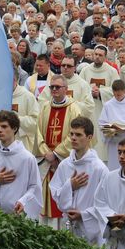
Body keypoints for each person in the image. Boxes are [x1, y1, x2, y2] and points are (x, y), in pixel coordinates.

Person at [50, 117, 108, 244]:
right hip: (68, 225)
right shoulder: (65, 165)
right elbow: (55, 192)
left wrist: (83, 214)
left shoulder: (99, 168)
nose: (73, 138)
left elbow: (106, 203)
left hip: (91, 229)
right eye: (71, 134)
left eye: (78, 134)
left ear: (89, 137)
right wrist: (70, 185)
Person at [34, 74, 82, 228]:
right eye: (52, 87)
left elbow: (74, 134)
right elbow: (38, 132)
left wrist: (56, 154)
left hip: (63, 159)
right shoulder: (46, 107)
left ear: (65, 89)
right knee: (45, 194)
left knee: (62, 192)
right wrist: (46, 152)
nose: (54, 90)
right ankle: (46, 228)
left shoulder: (74, 108)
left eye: (57, 87)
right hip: (46, 159)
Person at [0, 110, 42, 219]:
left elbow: (34, 187)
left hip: (19, 215)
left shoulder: (27, 158)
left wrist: (23, 202)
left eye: (4, 126)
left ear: (15, 128)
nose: (0, 130)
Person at [79, 45, 119, 161]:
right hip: (90, 111)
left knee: (102, 140)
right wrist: (89, 91)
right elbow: (80, 88)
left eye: (100, 55)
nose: (97, 57)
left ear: (105, 57)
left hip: (104, 110)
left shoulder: (112, 71)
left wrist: (101, 92)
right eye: (95, 54)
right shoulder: (86, 70)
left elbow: (117, 90)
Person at [98, 80, 125, 170]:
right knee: (114, 167)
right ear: (112, 91)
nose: (118, 93)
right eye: (115, 91)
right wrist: (110, 128)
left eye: (120, 91)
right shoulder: (108, 105)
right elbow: (102, 123)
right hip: (114, 141)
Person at [11, 68, 40, 152]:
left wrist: (16, 120)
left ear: (15, 79)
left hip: (22, 144)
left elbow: (36, 122)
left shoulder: (27, 96)